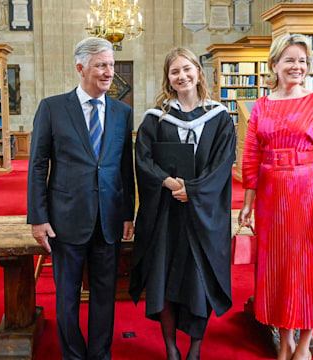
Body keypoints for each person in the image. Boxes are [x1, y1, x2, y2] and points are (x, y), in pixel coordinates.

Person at [27, 37, 135, 360]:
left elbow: (124, 166)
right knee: (68, 297)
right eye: (101, 65)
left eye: (111, 65)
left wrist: (129, 213)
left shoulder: (122, 111)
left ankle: (100, 354)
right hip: (66, 220)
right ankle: (73, 355)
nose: (109, 72)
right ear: (80, 68)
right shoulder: (52, 108)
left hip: (109, 219)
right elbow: (37, 165)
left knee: (104, 295)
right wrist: (38, 217)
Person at [238, 33, 313, 360]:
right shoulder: (261, 105)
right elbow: (251, 157)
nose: (296, 66)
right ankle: (283, 343)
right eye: (289, 60)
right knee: (280, 269)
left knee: (310, 269)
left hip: (308, 195)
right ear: (274, 65)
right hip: (271, 198)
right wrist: (247, 203)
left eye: (302, 61)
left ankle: (303, 346)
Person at [130, 47, 236, 360]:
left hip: (203, 214)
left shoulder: (219, 118)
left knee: (198, 279)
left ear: (198, 73)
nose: (182, 76)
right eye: (175, 72)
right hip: (165, 214)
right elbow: (143, 158)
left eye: (187, 69)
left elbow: (222, 164)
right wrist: (167, 182)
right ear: (168, 79)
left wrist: (193, 189)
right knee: (163, 278)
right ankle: (171, 347)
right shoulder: (157, 118)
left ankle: (196, 347)